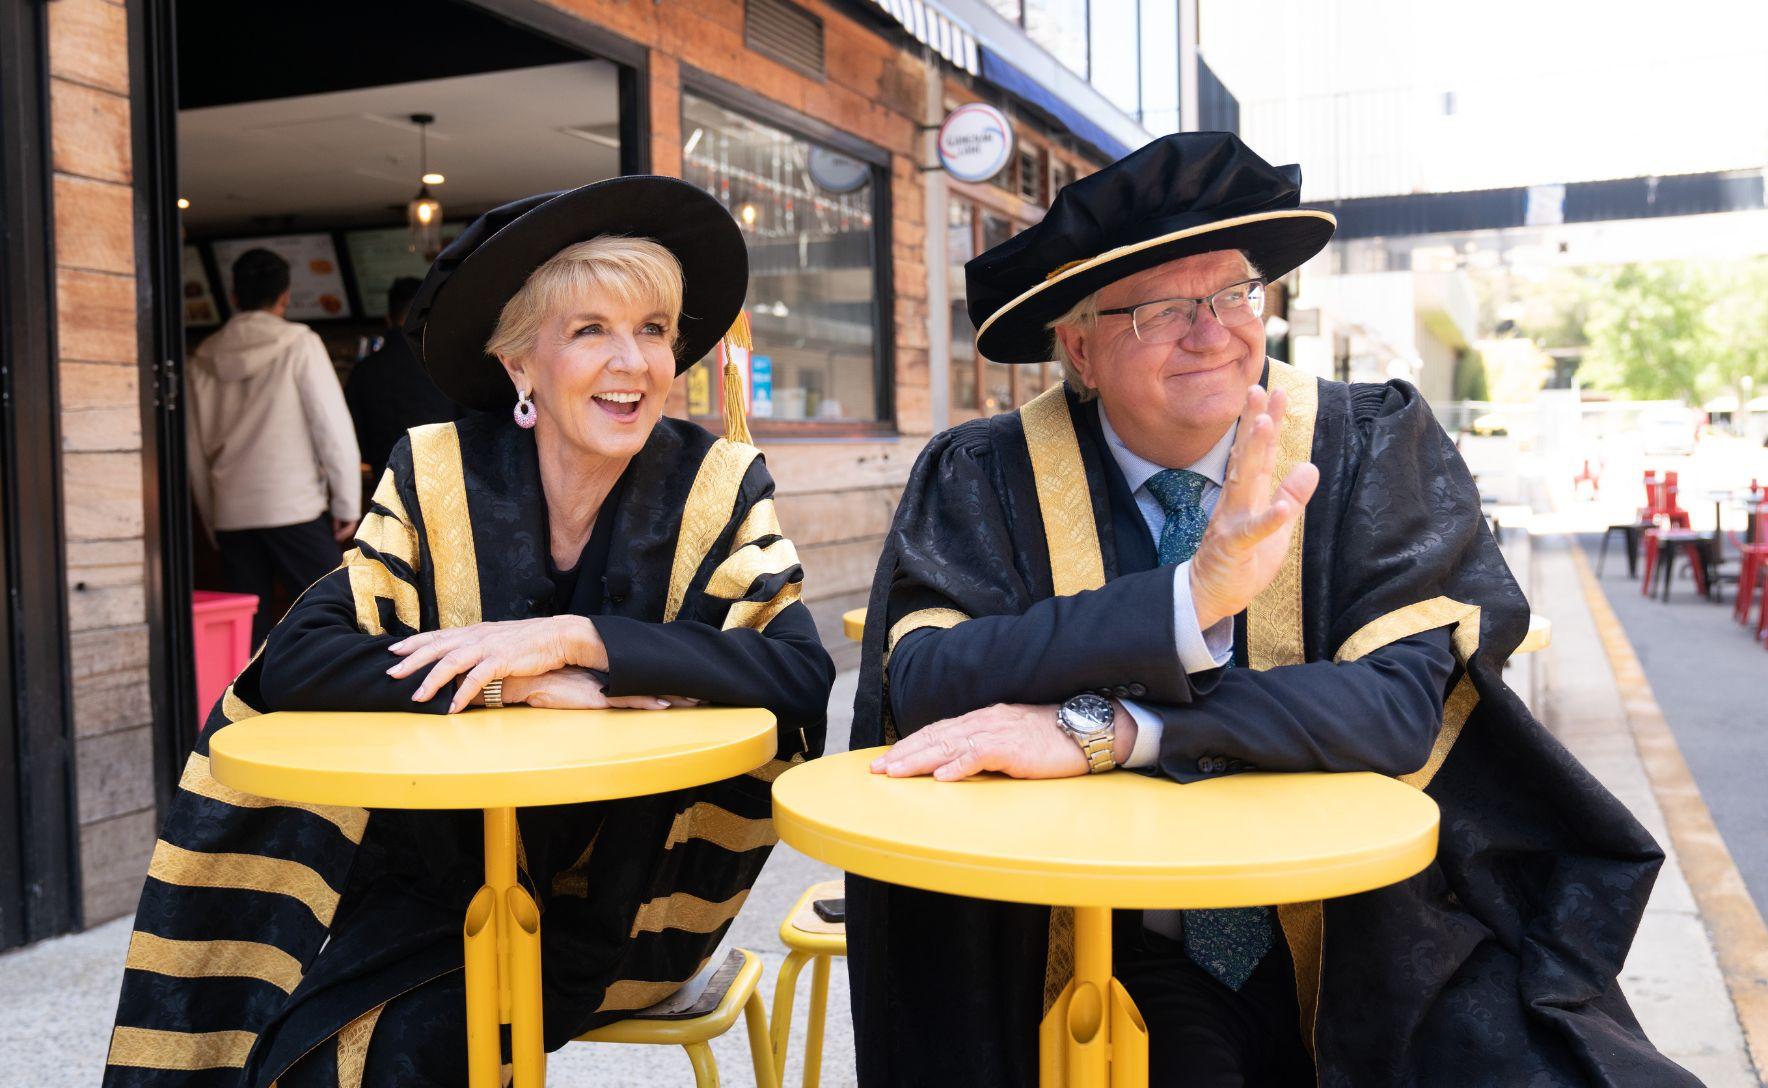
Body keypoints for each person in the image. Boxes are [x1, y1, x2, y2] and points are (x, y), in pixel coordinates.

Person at [847, 133, 1694, 1086]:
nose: (1213, 332)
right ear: (1078, 348)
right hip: (1109, 939)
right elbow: (921, 684)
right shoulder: (986, 474)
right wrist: (1190, 597)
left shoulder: (1371, 443)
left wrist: (1111, 728)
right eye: (1162, 308)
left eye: (1234, 293)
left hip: (1373, 931)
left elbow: (1394, 709)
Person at [105, 177, 836, 1087]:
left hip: (631, 900)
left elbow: (800, 675)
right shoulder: (437, 472)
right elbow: (301, 658)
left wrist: (577, 639)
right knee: (299, 1050)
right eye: (589, 331)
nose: (634, 362)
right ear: (521, 366)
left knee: (391, 1055)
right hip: (435, 887)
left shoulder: (717, 482)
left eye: (653, 329)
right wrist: (510, 680)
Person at [187, 248, 365, 644]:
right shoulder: (299, 343)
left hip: (232, 514)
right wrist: (347, 504)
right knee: (337, 614)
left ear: (233, 297)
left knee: (246, 631)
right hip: (294, 506)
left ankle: (247, 705)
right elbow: (331, 428)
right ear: (284, 297)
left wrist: (213, 516)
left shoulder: (202, 357)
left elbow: (194, 453)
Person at [346, 275, 462, 481]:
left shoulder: (362, 372)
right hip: (451, 488)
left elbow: (354, 441)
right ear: (429, 319)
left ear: (388, 320)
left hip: (388, 491)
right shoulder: (450, 365)